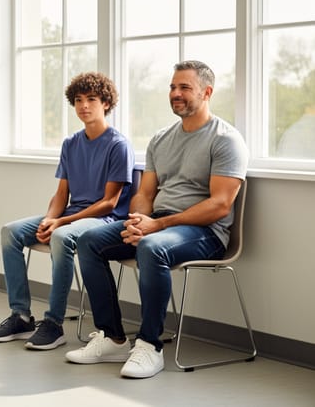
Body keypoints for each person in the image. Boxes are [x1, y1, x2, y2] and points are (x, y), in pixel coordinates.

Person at [66, 60, 248, 379]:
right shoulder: (161, 138)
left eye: (185, 87)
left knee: (152, 247)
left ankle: (150, 345)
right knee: (88, 241)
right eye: (172, 87)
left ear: (207, 92)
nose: (175, 93)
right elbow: (145, 193)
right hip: (158, 225)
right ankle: (113, 338)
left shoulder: (226, 139)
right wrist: (139, 218)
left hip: (204, 233)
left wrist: (157, 226)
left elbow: (220, 205)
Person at [0, 72, 135, 350]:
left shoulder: (118, 145)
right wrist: (51, 217)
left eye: (91, 99)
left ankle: (53, 324)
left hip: (102, 220)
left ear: (106, 103)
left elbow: (109, 203)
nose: (84, 106)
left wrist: (61, 222)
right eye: (78, 100)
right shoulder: (70, 144)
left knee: (61, 237)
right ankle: (20, 315)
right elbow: (61, 194)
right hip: (70, 215)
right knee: (10, 233)